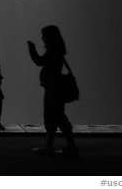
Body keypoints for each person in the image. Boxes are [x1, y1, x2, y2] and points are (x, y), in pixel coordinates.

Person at [28, 25, 79, 157]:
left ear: (50, 37)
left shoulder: (53, 51)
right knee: (53, 116)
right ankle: (54, 145)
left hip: (53, 88)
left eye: (44, 35)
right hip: (53, 87)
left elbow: (39, 61)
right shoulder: (57, 51)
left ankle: (68, 146)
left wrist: (32, 49)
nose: (42, 38)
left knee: (56, 116)